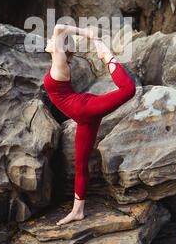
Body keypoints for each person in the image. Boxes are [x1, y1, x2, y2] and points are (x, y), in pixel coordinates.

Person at [43, 24, 136, 225]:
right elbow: (58, 32)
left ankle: (106, 54)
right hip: (83, 117)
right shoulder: (57, 61)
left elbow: (58, 27)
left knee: (129, 89)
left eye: (53, 40)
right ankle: (78, 211)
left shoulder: (59, 64)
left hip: (85, 109)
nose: (49, 40)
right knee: (80, 165)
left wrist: (91, 36)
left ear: (60, 48)